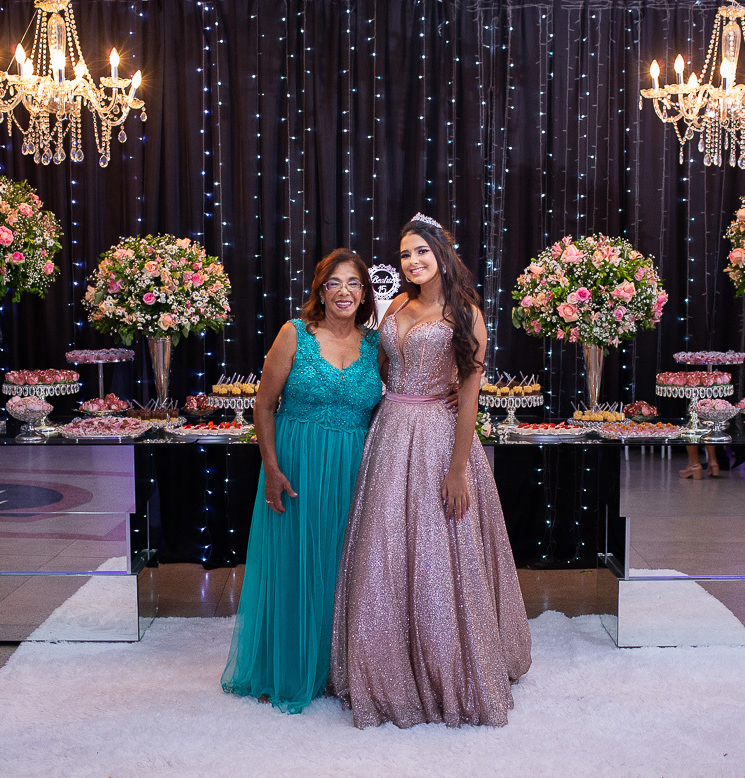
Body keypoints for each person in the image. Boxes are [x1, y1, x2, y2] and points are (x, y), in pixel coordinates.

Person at [329, 213, 532, 729]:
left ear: (443, 253)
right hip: (390, 431)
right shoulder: (396, 303)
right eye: (404, 254)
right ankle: (383, 668)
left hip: (439, 437)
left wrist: (459, 468)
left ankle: (445, 668)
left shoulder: (467, 314)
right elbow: (375, 364)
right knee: (383, 549)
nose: (413, 262)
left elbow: (468, 398)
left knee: (438, 555)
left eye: (421, 251)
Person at [221, 248, 382, 713]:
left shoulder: (376, 347)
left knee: (343, 566)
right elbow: (263, 405)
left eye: (354, 283)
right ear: (321, 290)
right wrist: (271, 468)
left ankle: (339, 668)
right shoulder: (294, 334)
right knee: (296, 561)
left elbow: (403, 395)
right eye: (335, 282)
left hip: (355, 466)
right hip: (297, 465)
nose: (345, 291)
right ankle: (290, 666)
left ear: (365, 293)